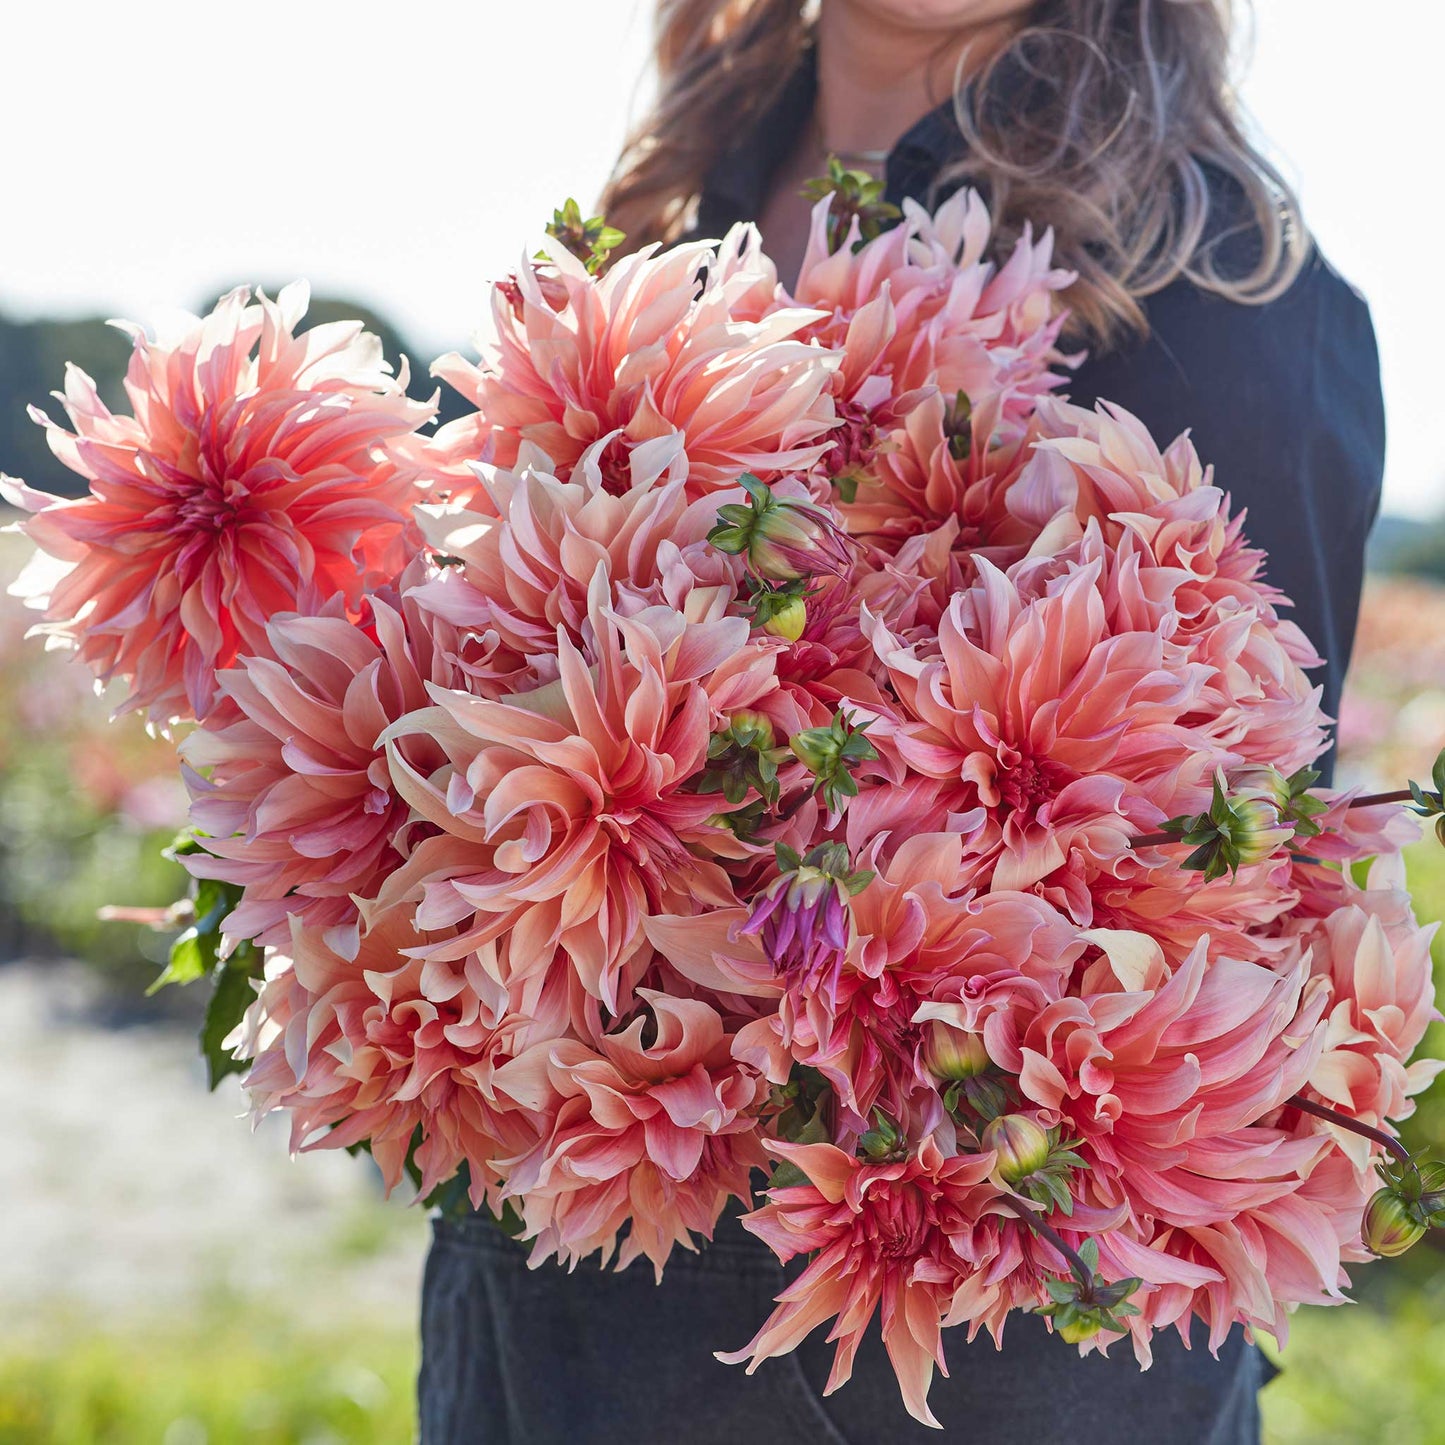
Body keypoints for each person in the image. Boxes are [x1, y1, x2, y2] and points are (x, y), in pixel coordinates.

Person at [417, 3, 1385, 1440]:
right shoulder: (668, 205)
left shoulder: (1226, 288)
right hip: (557, 1303)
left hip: (978, 1356)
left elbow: (1221, 894)